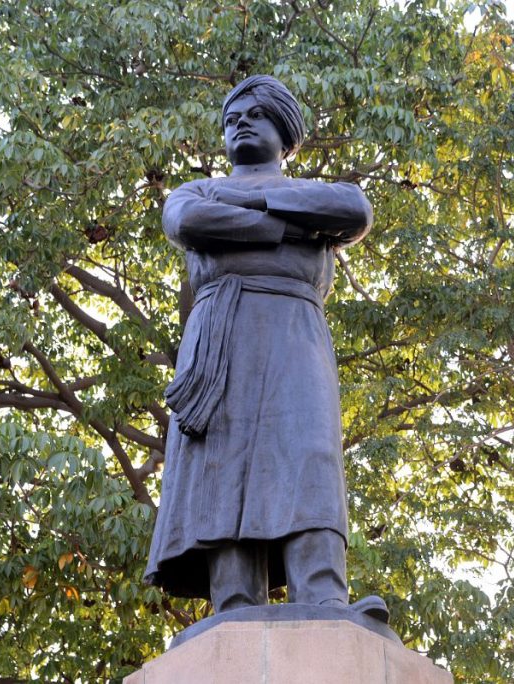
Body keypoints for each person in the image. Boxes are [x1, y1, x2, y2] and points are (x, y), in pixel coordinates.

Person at [145, 75, 386, 622]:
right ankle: (233, 603)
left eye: (254, 114)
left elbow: (354, 211)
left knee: (309, 456)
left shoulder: (321, 193)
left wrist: (252, 206)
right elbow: (188, 220)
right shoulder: (195, 191)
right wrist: (288, 225)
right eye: (232, 118)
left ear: (285, 131)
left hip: (294, 334)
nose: (240, 123)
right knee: (221, 469)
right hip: (219, 341)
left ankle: (323, 596)